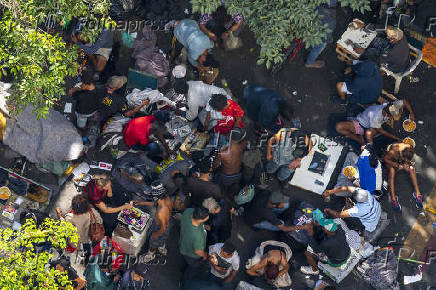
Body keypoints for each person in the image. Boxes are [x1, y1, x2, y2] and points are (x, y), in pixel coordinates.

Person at [335, 99, 415, 144]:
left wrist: (411, 113)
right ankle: (359, 139)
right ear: (389, 115)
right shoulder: (376, 117)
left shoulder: (392, 106)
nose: (399, 116)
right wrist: (396, 138)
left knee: (371, 132)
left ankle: (362, 138)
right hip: (361, 124)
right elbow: (382, 131)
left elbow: (404, 101)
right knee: (339, 127)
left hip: (373, 125)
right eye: (395, 116)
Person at [300, 210, 351, 275]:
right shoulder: (339, 229)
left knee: (308, 252)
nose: (323, 227)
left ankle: (314, 269)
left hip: (336, 261)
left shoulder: (326, 243)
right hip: (347, 252)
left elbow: (316, 249)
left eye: (323, 227)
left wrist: (310, 235)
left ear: (327, 230)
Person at [136, 182, 173, 262]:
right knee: (163, 238)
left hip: (161, 227)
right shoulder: (166, 198)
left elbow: (163, 227)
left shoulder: (161, 212)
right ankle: (161, 247)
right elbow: (156, 203)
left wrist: (155, 235)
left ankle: (150, 255)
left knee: (153, 242)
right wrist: (142, 203)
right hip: (168, 221)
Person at [244, 189, 310, 232]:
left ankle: (276, 217)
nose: (283, 202)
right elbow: (284, 228)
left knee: (286, 205)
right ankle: (258, 226)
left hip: (254, 208)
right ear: (274, 205)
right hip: (253, 221)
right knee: (281, 225)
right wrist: (303, 227)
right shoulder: (268, 213)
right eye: (282, 202)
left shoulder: (267, 192)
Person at [383, 142, 423, 210]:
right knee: (392, 172)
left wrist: (407, 164)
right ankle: (393, 199)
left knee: (411, 169)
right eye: (405, 160)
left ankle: (418, 194)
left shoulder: (409, 149)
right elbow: (384, 159)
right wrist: (397, 165)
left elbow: (407, 160)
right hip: (391, 161)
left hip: (399, 161)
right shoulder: (394, 151)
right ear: (402, 155)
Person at [213, 128, 247, 205]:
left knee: (223, 188)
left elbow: (215, 165)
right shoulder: (243, 145)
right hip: (239, 173)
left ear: (229, 137)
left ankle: (224, 199)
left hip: (226, 176)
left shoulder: (222, 153)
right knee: (233, 189)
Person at [179, 207, 210, 281]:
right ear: (201, 219)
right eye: (207, 216)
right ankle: (184, 282)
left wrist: (204, 227)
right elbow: (198, 251)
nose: (208, 216)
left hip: (183, 244)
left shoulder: (188, 211)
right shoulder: (198, 236)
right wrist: (206, 255)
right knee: (193, 268)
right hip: (192, 255)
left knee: (185, 261)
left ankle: (182, 268)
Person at [305, 1, 336, 68]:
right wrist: (329, 40)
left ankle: (309, 45)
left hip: (312, 25)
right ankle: (309, 63)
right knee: (319, 46)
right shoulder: (329, 19)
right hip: (318, 33)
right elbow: (326, 37)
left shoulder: (315, 5)